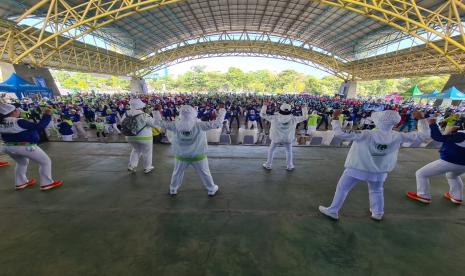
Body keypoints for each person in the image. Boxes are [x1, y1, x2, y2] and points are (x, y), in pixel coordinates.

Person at [318, 109, 429, 221]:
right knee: (377, 190)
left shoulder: (366, 134)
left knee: (343, 188)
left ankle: (333, 210)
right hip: (380, 171)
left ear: (380, 122)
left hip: (357, 168)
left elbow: (339, 134)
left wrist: (335, 119)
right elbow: (423, 136)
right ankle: (377, 213)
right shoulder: (398, 136)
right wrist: (421, 119)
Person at [153, 104, 226, 197]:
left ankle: (173, 189)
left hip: (181, 156)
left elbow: (159, 122)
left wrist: (156, 111)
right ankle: (211, 189)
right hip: (198, 156)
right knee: (205, 173)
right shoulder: (200, 125)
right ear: (193, 113)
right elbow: (218, 123)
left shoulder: (175, 125)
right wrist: (222, 110)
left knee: (177, 173)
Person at [0, 103, 63, 191]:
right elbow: (39, 126)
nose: (18, 111)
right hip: (25, 146)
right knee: (45, 162)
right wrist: (47, 115)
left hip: (8, 147)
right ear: (12, 112)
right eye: (16, 109)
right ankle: (47, 183)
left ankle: (20, 182)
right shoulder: (18, 121)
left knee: (22, 163)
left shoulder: (2, 122)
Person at [406, 118, 465, 204]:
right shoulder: (460, 135)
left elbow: (438, 137)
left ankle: (423, 196)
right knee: (452, 176)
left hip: (450, 161)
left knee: (421, 173)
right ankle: (457, 197)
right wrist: (452, 133)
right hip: (463, 166)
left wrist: (432, 124)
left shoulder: (461, 135)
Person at [260, 102, 308, 171]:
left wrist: (264, 106)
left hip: (276, 138)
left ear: (280, 109)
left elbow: (262, 114)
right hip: (287, 139)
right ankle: (290, 166)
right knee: (289, 151)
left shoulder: (274, 117)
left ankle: (268, 164)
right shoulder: (294, 119)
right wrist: (304, 108)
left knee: (271, 150)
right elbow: (305, 117)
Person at [122, 98, 158, 174]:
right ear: (140, 106)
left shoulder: (125, 114)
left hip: (129, 136)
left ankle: (131, 165)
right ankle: (147, 167)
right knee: (147, 152)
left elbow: (122, 123)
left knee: (136, 150)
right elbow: (154, 124)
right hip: (145, 137)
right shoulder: (144, 115)